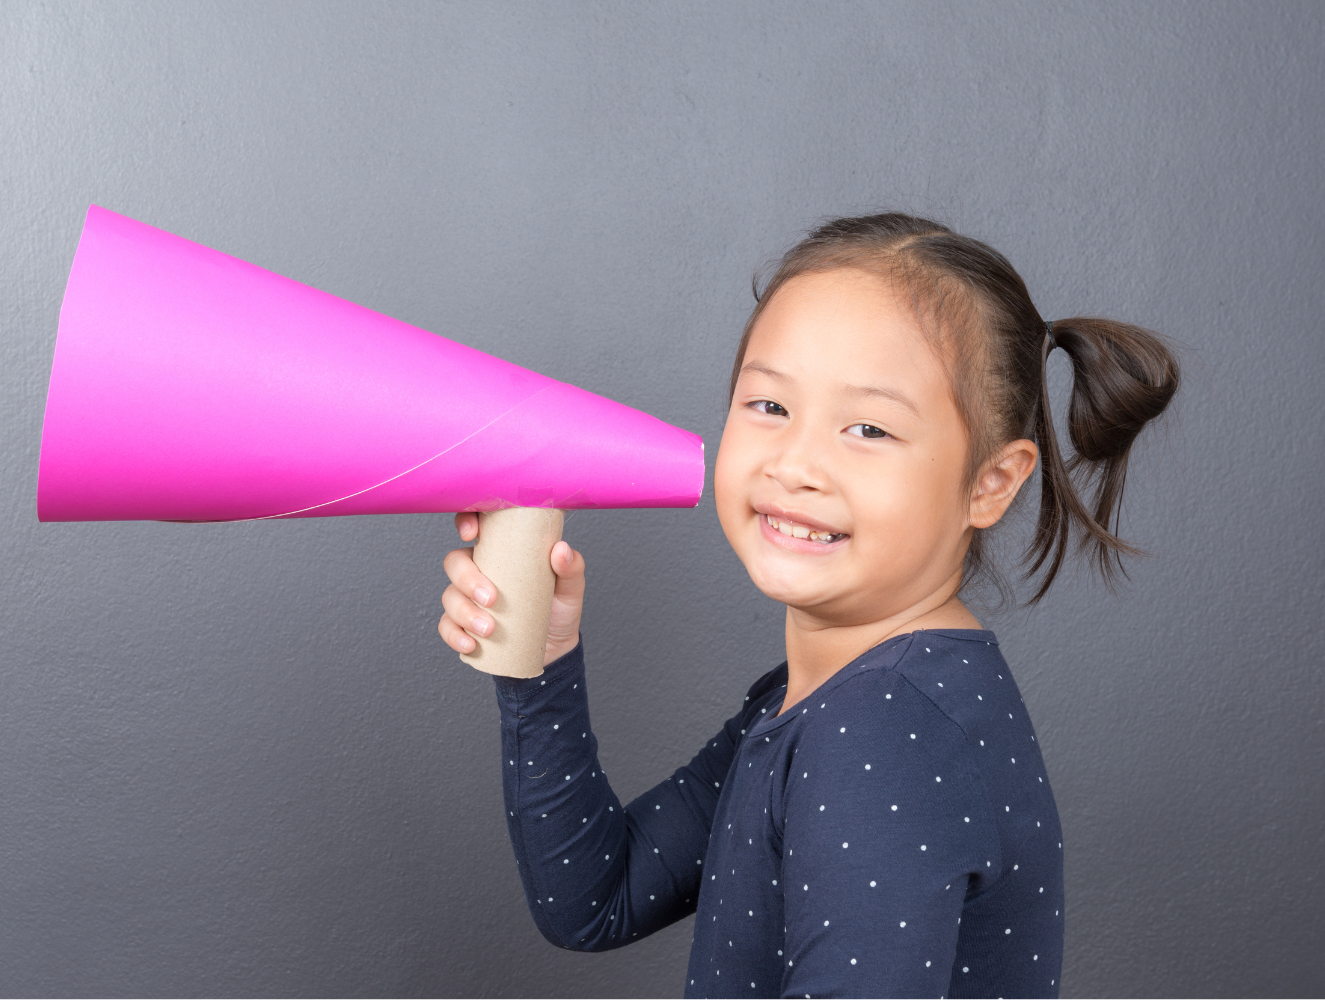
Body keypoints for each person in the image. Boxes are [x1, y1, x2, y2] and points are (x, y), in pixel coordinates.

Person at [435, 213, 1179, 998]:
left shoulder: (886, 728)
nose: (796, 464)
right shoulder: (829, 697)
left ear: (991, 482)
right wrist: (539, 657)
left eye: (867, 428)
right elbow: (593, 898)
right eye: (769, 407)